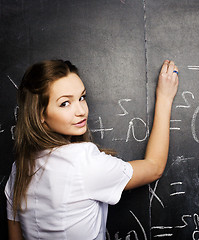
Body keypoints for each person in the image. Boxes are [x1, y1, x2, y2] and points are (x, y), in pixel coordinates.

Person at [5, 59, 179, 240]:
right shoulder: (82, 161)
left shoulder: (19, 169)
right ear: (40, 114)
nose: (81, 110)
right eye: (65, 103)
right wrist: (165, 98)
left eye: (81, 97)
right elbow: (154, 167)